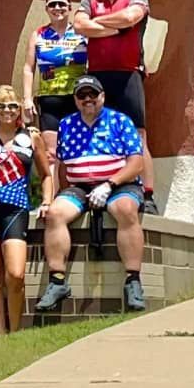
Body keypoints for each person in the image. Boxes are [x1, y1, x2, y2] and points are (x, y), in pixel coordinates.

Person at [36, 74, 147, 313]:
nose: (88, 99)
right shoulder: (66, 124)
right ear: (75, 100)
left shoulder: (120, 120)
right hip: (80, 187)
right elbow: (62, 166)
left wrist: (109, 185)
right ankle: (57, 281)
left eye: (92, 94)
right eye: (82, 95)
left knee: (125, 209)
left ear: (102, 96)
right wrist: (57, 194)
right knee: (55, 214)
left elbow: (137, 163)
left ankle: (133, 280)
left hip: (119, 184)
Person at [73, 0, 157, 211]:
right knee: (99, 130)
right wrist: (116, 27)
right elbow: (79, 25)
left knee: (138, 135)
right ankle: (101, 187)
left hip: (129, 73)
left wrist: (96, 24)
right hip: (97, 75)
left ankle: (148, 194)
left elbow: (131, 17)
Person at [0, 85, 52, 334]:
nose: (7, 110)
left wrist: (47, 201)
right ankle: (1, 334)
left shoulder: (31, 137)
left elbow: (46, 174)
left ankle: (15, 332)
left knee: (15, 274)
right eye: (1, 105)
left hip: (16, 208)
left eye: (13, 105)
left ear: (19, 109)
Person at [23, 0, 88, 164]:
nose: (57, 8)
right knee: (51, 154)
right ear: (46, 9)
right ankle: (52, 184)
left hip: (77, 99)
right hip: (49, 99)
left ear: (70, 8)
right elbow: (29, 67)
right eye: (52, 4)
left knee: (76, 150)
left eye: (61, 4)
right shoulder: (38, 34)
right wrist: (27, 99)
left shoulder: (82, 33)